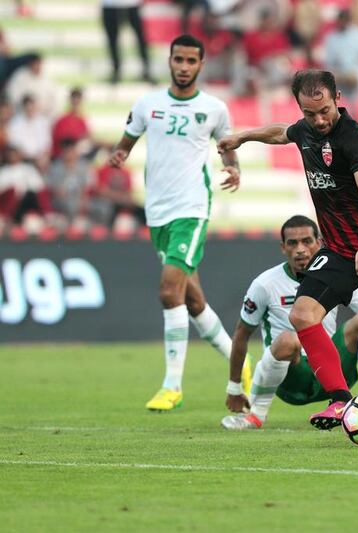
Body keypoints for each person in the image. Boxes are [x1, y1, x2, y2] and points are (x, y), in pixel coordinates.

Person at [217, 69, 358, 429]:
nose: (318, 120)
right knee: (302, 315)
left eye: (324, 111)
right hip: (337, 249)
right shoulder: (304, 129)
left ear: (337, 98)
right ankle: (340, 401)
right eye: (309, 113)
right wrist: (242, 137)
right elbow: (278, 133)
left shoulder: (355, 139)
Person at [108, 34, 251, 412]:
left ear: (201, 65)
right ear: (170, 61)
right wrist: (120, 154)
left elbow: (227, 146)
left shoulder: (214, 108)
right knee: (192, 299)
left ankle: (172, 385)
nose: (184, 66)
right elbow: (127, 140)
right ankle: (242, 366)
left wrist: (233, 169)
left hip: (191, 207)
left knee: (169, 291)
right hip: (157, 211)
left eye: (191, 61)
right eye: (178, 59)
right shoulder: (147, 104)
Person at [220, 215, 358, 430]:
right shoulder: (265, 284)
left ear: (320, 243)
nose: (300, 249)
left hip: (332, 369)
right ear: (283, 247)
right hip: (291, 378)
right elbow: (242, 334)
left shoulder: (336, 276)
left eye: (307, 241)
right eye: (293, 243)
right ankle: (254, 416)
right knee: (289, 340)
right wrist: (234, 387)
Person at [101, 0, 152, 84]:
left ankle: (146, 70)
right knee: (112, 40)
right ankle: (116, 70)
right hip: (110, 5)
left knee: (141, 39)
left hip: (132, 4)